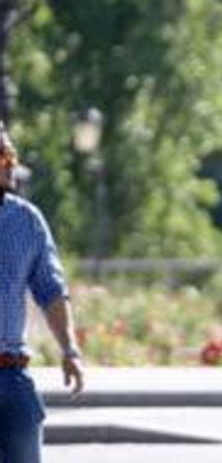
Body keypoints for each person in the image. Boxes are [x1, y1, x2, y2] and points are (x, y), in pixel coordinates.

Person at [0, 122, 85, 463]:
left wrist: (70, 349)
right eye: (2, 156)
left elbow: (51, 290)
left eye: (11, 155)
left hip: (13, 378)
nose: (10, 164)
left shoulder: (26, 220)